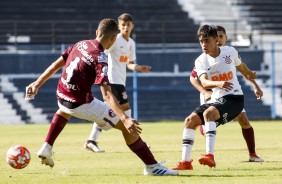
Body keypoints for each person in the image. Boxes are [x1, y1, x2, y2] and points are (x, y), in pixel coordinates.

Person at [25, 18, 178, 176]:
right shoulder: (100, 58)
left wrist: (37, 83)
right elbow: (106, 95)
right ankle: (152, 166)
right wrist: (125, 119)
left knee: (64, 110)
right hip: (80, 104)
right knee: (127, 128)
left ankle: (47, 146)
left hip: (61, 95)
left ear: (97, 32)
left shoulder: (80, 44)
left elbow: (57, 64)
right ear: (113, 39)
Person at [172, 25, 262, 170]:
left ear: (216, 40)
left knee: (211, 114)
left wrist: (253, 77)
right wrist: (218, 83)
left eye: (207, 41)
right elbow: (204, 82)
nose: (203, 44)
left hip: (235, 98)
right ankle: (186, 162)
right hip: (217, 100)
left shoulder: (230, 52)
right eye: (201, 41)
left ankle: (210, 156)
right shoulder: (201, 60)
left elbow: (241, 67)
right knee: (189, 121)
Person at [84, 13, 151, 153]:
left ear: (132, 26)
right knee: (126, 108)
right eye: (123, 25)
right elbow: (103, 51)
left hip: (121, 81)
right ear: (119, 27)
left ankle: (91, 141)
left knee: (109, 113)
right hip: (112, 80)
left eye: (128, 24)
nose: (126, 27)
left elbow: (129, 64)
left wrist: (139, 68)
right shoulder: (115, 40)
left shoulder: (131, 43)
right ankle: (136, 139)